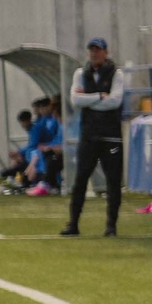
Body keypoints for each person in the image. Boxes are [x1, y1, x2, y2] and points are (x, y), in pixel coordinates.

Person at [61, 37, 125, 237]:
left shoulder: (116, 74)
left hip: (111, 136)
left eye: (98, 50)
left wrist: (88, 100)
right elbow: (75, 100)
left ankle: (111, 225)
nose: (94, 54)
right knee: (80, 179)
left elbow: (114, 101)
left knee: (113, 181)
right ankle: (73, 224)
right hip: (89, 135)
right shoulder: (81, 73)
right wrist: (98, 96)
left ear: (106, 52)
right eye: (92, 50)